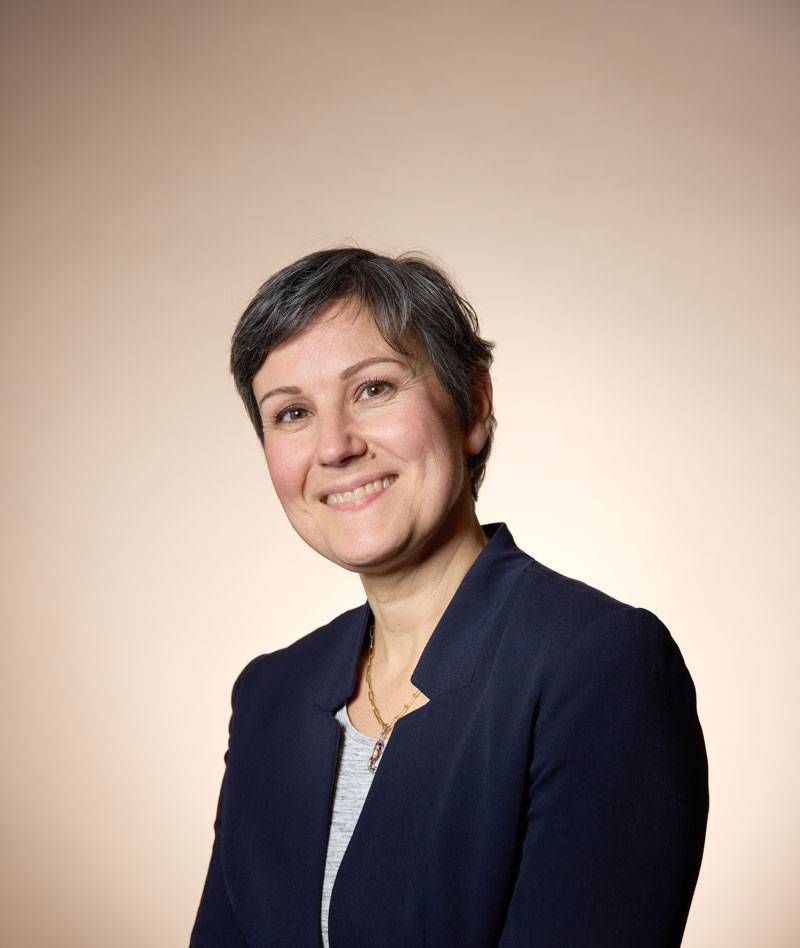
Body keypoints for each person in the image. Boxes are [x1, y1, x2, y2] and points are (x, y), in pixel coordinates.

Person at [190, 248, 709, 947]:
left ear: (474, 405)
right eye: (291, 413)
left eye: (373, 388)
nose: (334, 447)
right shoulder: (269, 697)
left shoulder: (597, 665)